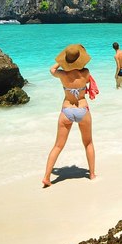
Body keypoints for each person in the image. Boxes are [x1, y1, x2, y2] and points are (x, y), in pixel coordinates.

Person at [43, 44, 96, 187]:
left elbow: (52, 70)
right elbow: (84, 70)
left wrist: (61, 62)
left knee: (58, 146)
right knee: (88, 143)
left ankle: (47, 177)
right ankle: (91, 174)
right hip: (83, 109)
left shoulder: (62, 74)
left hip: (66, 110)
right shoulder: (86, 72)